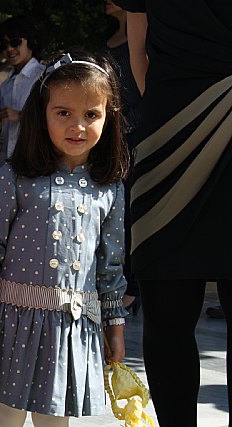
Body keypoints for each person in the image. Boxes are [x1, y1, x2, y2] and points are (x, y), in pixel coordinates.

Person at [0, 52, 130, 426]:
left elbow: (110, 265)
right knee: (5, 418)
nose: (78, 126)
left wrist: (115, 324)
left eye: (91, 115)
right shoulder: (16, 177)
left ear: (109, 116)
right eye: (63, 112)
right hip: (14, 325)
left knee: (55, 420)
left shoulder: (109, 189)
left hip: (71, 329)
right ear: (43, 112)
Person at [114, 1, 232, 425]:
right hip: (170, 130)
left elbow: (138, 52)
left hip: (168, 126)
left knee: (167, 312)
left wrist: (178, 103)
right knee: (166, 309)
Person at [104, 0, 142, 315]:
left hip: (135, 133)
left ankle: (133, 285)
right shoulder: (108, 37)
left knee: (130, 208)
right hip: (107, 134)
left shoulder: (144, 37)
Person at [0, 15, 45, 163]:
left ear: (31, 41)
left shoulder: (44, 77)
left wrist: (21, 116)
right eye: (4, 45)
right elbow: (5, 131)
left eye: (15, 42)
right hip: (9, 162)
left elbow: (57, 118)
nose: (9, 49)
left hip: (36, 161)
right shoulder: (7, 84)